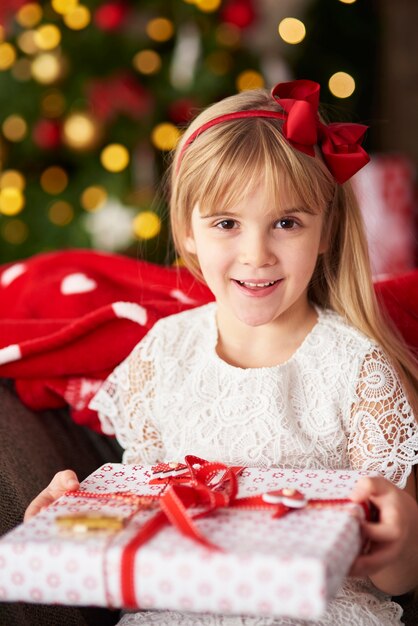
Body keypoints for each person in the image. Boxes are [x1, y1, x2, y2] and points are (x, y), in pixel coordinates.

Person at [25, 79, 418, 625]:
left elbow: (397, 579)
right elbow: (144, 516)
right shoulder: (162, 354)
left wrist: (403, 538)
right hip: (181, 607)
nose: (256, 254)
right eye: (227, 224)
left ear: (325, 230)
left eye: (286, 223)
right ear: (188, 232)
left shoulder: (358, 369)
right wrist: (69, 519)